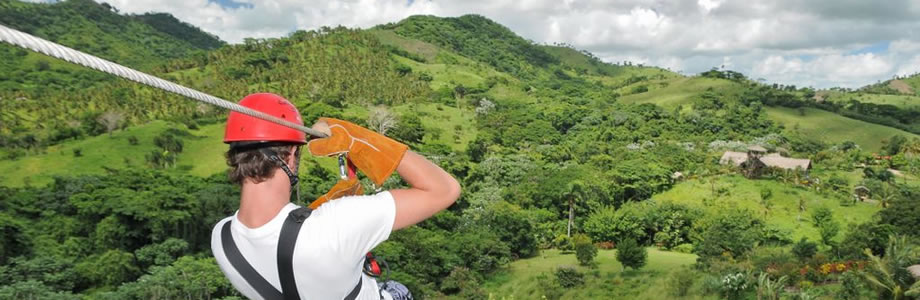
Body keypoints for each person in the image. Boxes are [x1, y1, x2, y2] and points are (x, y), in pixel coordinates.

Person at [210, 93, 461, 300]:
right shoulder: (340, 223)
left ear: (234, 155)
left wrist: (322, 210)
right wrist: (356, 139)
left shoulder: (222, 239)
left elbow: (286, 242)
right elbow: (445, 189)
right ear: (290, 156)